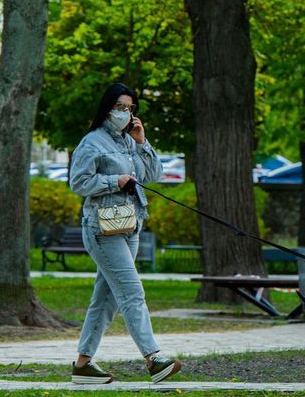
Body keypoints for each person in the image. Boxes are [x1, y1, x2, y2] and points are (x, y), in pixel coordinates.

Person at [68, 83, 181, 384]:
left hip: (129, 226)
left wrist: (143, 142)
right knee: (132, 292)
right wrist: (114, 181)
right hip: (102, 229)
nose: (125, 113)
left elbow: (154, 175)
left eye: (130, 108)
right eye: (120, 107)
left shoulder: (130, 142)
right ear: (107, 108)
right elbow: (78, 183)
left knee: (106, 300)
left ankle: (82, 366)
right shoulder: (92, 142)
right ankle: (153, 358)